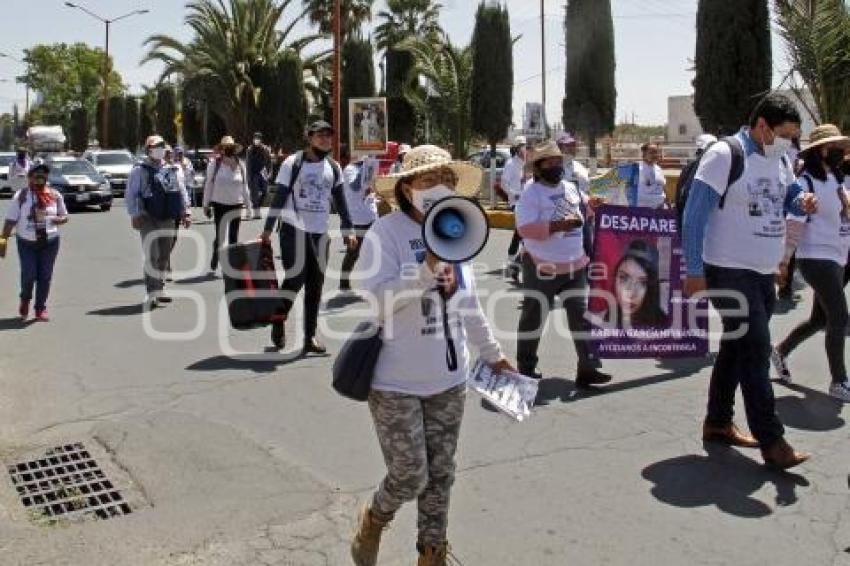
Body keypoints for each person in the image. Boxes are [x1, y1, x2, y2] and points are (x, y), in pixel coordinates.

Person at [350, 144, 513, 566]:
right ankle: (375, 516)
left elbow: (469, 303)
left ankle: (432, 552)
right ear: (406, 189)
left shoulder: (458, 227)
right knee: (409, 476)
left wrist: (493, 355)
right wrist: (424, 274)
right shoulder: (385, 234)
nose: (438, 188)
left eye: (446, 180)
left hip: (449, 380)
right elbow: (377, 300)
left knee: (441, 475)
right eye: (427, 181)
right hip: (394, 382)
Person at [682, 92, 818, 469]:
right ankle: (772, 441)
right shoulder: (725, 156)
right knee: (756, 350)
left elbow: (787, 196)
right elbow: (693, 217)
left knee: (735, 347)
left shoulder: (778, 159)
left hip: (762, 273)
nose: (790, 144)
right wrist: (694, 271)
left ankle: (718, 422)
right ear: (762, 126)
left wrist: (802, 200)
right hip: (727, 270)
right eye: (785, 135)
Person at [514, 140, 611, 387]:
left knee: (582, 318)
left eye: (559, 161)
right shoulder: (530, 193)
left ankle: (588, 368)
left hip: (575, 265)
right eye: (550, 162)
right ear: (538, 167)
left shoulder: (570, 187)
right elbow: (525, 229)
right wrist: (559, 226)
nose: (557, 166)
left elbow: (583, 210)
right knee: (533, 318)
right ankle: (525, 368)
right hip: (541, 266)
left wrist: (592, 205)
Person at [771, 124, 850, 401]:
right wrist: (782, 263)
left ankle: (780, 351)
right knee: (839, 316)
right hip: (816, 258)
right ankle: (839, 382)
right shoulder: (806, 184)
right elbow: (794, 225)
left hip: (837, 257)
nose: (842, 152)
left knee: (820, 319)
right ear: (822, 150)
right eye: (837, 148)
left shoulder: (836, 180)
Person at [261, 121, 352, 353]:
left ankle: (309, 337)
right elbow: (280, 197)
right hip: (293, 229)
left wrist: (348, 229)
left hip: (320, 232)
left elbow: (341, 200)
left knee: (316, 284)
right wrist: (268, 229)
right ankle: (278, 317)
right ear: (309, 137)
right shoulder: (293, 163)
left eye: (329, 137)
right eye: (320, 136)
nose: (325, 140)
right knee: (296, 277)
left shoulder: (333, 167)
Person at [126, 135, 193, 308]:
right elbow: (131, 194)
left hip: (168, 217)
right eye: (155, 147)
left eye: (161, 146)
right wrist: (134, 214)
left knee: (164, 256)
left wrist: (186, 212)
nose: (159, 149)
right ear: (148, 149)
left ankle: (160, 288)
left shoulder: (172, 169)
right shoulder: (139, 170)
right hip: (147, 217)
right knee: (152, 255)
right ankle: (151, 292)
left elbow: (182, 191)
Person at [0, 163, 68, 321]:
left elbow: (64, 216)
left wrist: (57, 219)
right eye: (36, 174)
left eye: (43, 174)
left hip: (50, 242)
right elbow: (10, 221)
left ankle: (40, 308)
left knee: (45, 276)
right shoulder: (21, 196)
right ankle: (25, 299)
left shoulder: (55, 195)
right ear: (30, 177)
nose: (40, 177)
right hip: (26, 243)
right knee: (29, 274)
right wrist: (2, 242)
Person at [204, 135, 252, 272]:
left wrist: (249, 206)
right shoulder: (215, 164)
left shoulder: (241, 164)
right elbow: (209, 184)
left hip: (236, 204)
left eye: (231, 147)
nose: (228, 150)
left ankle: (232, 265)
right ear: (222, 149)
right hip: (219, 204)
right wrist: (206, 204)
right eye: (226, 147)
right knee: (220, 236)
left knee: (233, 237)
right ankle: (216, 255)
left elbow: (245, 186)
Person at [602, 239, 669, 328]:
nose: (631, 293)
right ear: (615, 279)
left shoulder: (665, 327)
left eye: (642, 283)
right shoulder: (600, 322)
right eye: (624, 278)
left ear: (651, 287)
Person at [340, 148, 378, 292]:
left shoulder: (370, 167)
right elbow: (356, 187)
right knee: (353, 253)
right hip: (356, 219)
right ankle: (344, 281)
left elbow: (370, 187)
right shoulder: (349, 169)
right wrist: (365, 166)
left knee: (375, 251)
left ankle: (373, 282)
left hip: (371, 215)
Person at [501, 136, 527, 281]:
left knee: (519, 233)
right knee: (522, 232)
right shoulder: (511, 164)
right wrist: (514, 194)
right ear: (517, 148)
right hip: (516, 202)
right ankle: (515, 264)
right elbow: (504, 183)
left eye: (526, 145)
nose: (524, 148)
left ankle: (513, 263)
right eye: (522, 146)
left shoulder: (527, 164)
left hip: (527, 202)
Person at [246, 132, 272, 219]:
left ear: (261, 139)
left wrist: (270, 173)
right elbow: (248, 163)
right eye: (255, 137)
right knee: (254, 194)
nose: (256, 139)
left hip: (263, 172)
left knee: (266, 192)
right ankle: (257, 212)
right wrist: (248, 176)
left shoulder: (266, 149)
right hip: (254, 173)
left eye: (258, 138)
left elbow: (269, 162)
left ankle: (258, 207)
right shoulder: (250, 149)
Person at [636, 142, 667, 209]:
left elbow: (663, 188)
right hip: (643, 210)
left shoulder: (658, 169)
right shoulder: (636, 169)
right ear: (644, 154)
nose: (655, 155)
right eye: (651, 152)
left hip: (659, 208)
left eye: (656, 152)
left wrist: (667, 202)